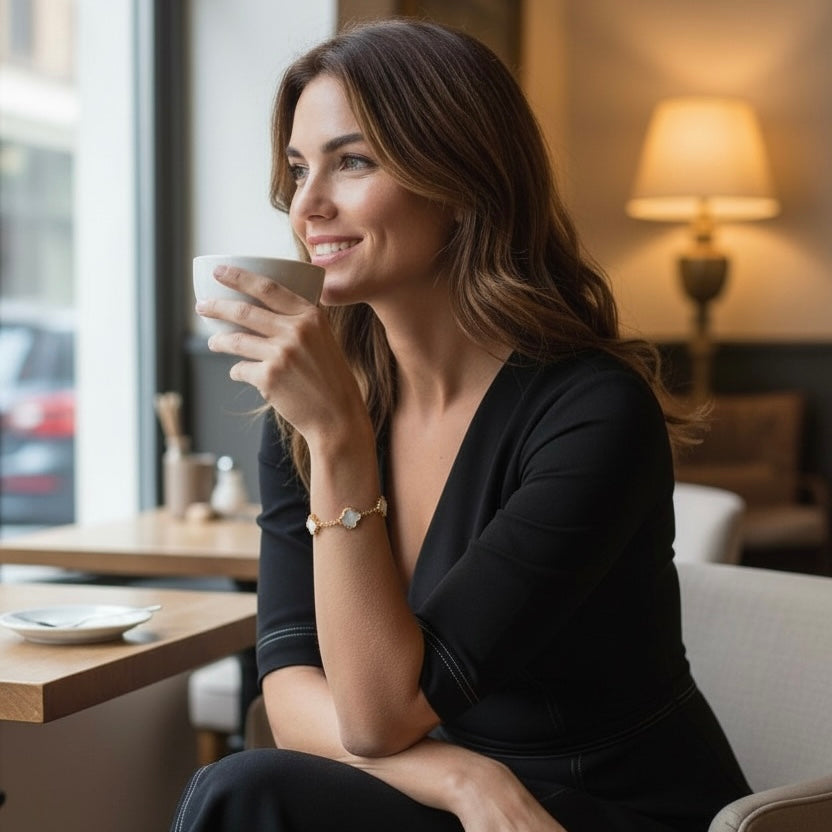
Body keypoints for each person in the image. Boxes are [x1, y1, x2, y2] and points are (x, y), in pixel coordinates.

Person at [171, 18, 750, 832]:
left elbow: (372, 717)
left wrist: (339, 443)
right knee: (246, 788)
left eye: (353, 161)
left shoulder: (591, 414)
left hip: (609, 808)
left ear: (461, 178)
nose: (308, 205)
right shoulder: (320, 405)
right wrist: (464, 782)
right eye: (299, 170)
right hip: (462, 801)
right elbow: (292, 688)